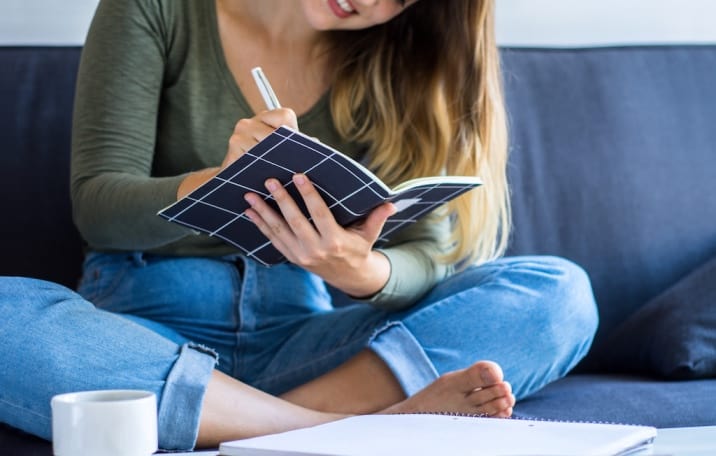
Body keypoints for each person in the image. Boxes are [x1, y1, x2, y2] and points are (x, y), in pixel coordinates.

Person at [0, 0, 598, 451]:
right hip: (144, 332)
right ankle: (341, 433)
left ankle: (255, 426)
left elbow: (429, 254)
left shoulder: (394, 63)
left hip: (300, 343)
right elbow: (99, 208)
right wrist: (222, 179)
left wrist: (363, 272)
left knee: (560, 294)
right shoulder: (157, 9)